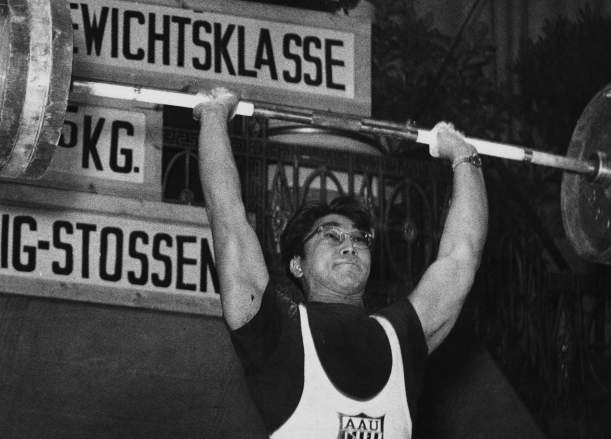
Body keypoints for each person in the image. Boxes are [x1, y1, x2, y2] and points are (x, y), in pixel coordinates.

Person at [194, 88, 488, 438]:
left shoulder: (402, 335)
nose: (349, 245)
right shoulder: (275, 330)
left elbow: (461, 256)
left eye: (359, 238)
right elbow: (227, 218)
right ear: (297, 265)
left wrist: (464, 156)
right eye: (330, 235)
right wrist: (214, 115)